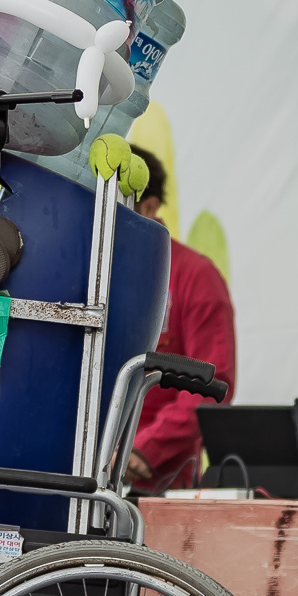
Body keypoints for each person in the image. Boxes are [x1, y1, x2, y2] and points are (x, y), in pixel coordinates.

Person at [123, 147, 237, 494]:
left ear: (150, 206)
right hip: (80, 472)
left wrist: (145, 448)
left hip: (157, 485)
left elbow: (213, 382)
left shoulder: (195, 274)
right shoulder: (88, 269)